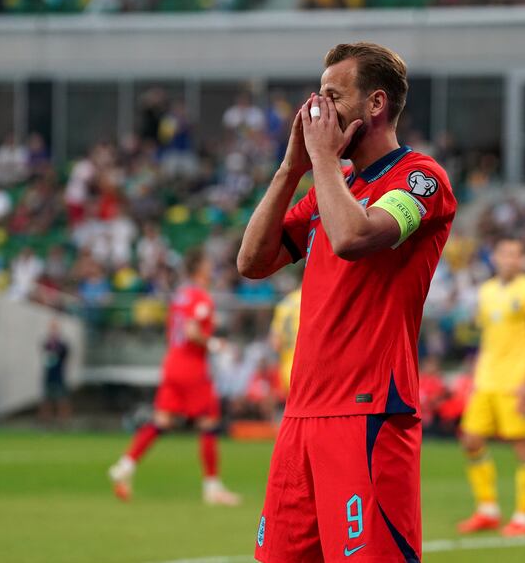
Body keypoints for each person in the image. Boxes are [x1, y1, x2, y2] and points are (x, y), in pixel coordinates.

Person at [237, 41, 456, 562]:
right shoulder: (329, 185)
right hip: (302, 414)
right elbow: (251, 262)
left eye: (333, 96)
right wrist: (292, 169)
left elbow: (354, 237)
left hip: (368, 412)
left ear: (375, 105)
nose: (319, 109)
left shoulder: (421, 179)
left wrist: (322, 163)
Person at [108, 247, 240, 506]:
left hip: (172, 363)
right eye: (207, 263)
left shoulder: (180, 295)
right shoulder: (201, 298)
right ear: (199, 268)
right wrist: (215, 345)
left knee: (163, 420)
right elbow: (192, 331)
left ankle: (125, 464)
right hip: (191, 367)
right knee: (209, 422)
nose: (211, 268)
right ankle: (212, 488)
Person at [457, 236, 525, 537]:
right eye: (504, 253)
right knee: (471, 440)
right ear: (495, 257)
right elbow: (488, 339)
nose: (509, 259)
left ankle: (524, 516)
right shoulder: (485, 292)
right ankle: (487, 510)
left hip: (516, 382)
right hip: (486, 380)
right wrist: (474, 376)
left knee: (523, 447)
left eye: (515, 254)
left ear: (522, 260)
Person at [268, 286, 301, 396]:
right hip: (305, 366)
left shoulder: (284, 304)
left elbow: (275, 343)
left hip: (286, 369)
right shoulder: (311, 299)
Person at [39, 318, 71, 422]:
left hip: (59, 375)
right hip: (49, 375)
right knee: (47, 399)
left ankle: (63, 421)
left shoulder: (62, 345)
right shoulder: (47, 344)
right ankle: (46, 421)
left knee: (61, 399)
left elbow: (65, 356)